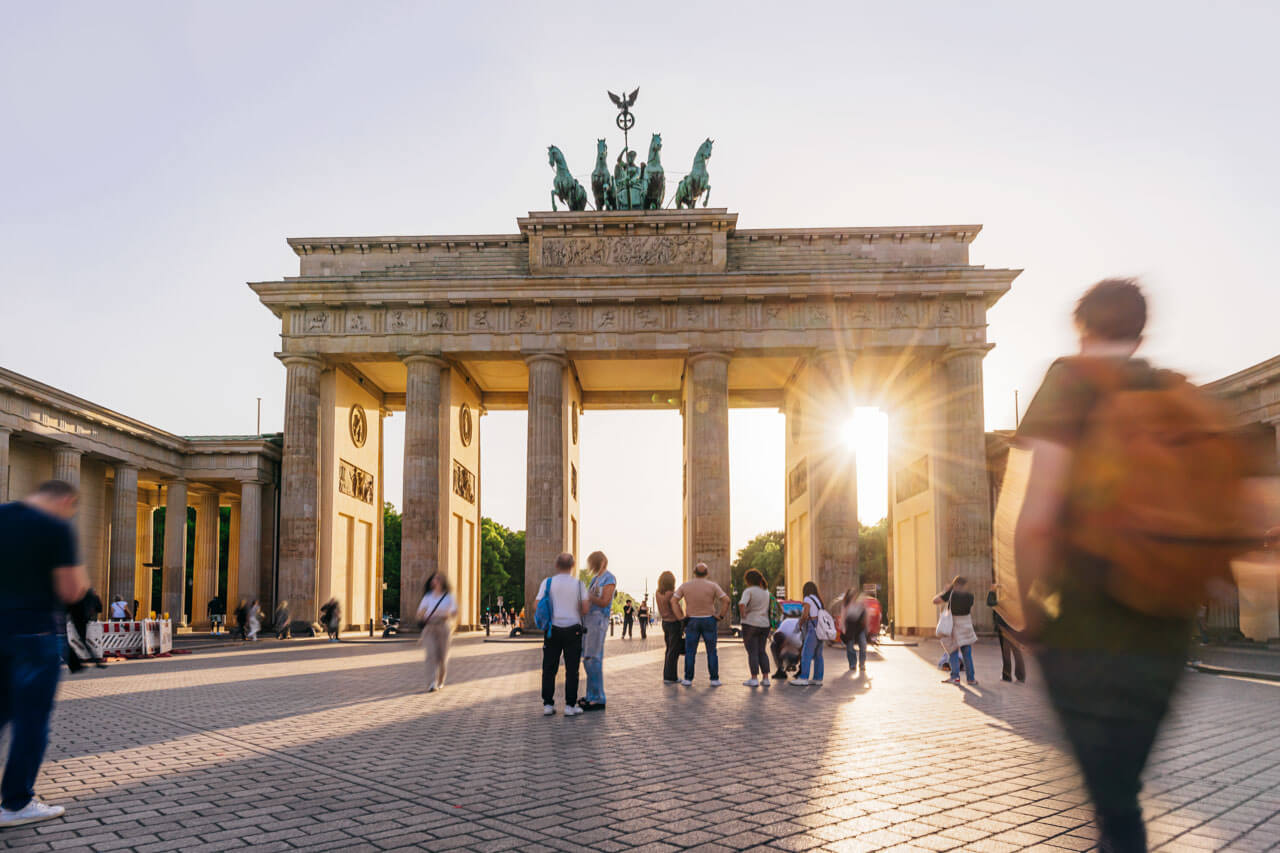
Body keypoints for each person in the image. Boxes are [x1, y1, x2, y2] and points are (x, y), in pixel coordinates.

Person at [1012, 278, 1270, 852]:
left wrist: (1033, 612)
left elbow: (1035, 521)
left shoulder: (1070, 381)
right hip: (1167, 630)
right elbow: (1249, 513)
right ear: (1140, 333)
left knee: (1115, 806)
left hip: (1086, 625)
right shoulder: (1181, 396)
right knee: (1124, 792)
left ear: (1082, 328)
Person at [0, 479, 88, 827]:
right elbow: (70, 589)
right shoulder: (55, 527)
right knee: (31, 721)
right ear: (66, 501)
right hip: (35, 634)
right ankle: (16, 803)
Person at [535, 552, 588, 716]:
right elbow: (585, 608)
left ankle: (548, 705)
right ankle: (570, 706)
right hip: (574, 630)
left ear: (557, 565)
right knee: (572, 670)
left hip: (553, 630)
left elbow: (537, 605)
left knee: (549, 668)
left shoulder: (548, 582)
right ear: (573, 566)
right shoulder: (579, 585)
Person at [672, 562, 729, 686]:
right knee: (711, 651)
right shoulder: (713, 586)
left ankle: (688, 679)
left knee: (690, 651)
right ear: (707, 573)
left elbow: (674, 600)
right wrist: (720, 616)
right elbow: (726, 600)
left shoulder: (685, 586)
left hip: (692, 619)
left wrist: (680, 617)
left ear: (694, 573)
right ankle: (714, 679)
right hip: (709, 619)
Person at [580, 551, 615, 711]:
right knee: (587, 658)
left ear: (601, 562)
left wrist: (588, 597)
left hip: (599, 619)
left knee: (593, 658)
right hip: (589, 620)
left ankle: (598, 697)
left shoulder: (609, 578)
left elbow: (605, 601)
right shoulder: (595, 579)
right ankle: (591, 695)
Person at [934, 576, 978, 685]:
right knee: (967, 654)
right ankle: (971, 679)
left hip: (953, 627)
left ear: (955, 584)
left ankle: (955, 677)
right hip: (966, 627)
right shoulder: (970, 596)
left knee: (953, 651)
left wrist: (946, 591)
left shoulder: (951, 594)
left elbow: (935, 601)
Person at [417, 573, 457, 692]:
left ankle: (440, 680)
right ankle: (432, 683)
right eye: (434, 578)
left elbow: (454, 612)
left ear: (443, 581)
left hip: (443, 626)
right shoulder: (428, 597)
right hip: (430, 627)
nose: (435, 580)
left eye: (438, 578)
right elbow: (420, 611)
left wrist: (448, 615)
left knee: (442, 657)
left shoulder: (449, 597)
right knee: (431, 654)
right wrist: (422, 616)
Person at [737, 569, 771, 687]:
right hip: (764, 624)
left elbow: (742, 604)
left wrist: (743, 615)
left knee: (752, 652)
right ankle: (766, 678)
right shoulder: (766, 591)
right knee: (762, 651)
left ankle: (754, 678)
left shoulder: (749, 591)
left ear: (748, 580)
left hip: (750, 624)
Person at [790, 581, 826, 687]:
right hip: (820, 627)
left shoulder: (807, 599)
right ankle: (818, 678)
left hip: (812, 627)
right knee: (818, 655)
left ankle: (804, 678)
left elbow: (805, 615)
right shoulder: (818, 600)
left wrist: (799, 624)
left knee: (806, 653)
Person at [987, 583, 1025, 683]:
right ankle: (1021, 677)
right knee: (1017, 652)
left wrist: (992, 591)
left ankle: (1007, 676)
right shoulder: (1017, 602)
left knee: (1006, 653)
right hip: (1015, 629)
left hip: (1005, 629)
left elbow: (990, 602)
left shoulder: (1004, 601)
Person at [654, 571, 682, 684]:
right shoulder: (671, 594)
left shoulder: (657, 593)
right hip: (673, 623)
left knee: (669, 649)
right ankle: (671, 677)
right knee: (673, 651)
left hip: (665, 623)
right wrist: (682, 619)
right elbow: (676, 608)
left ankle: (667, 675)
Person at [840, 587, 869, 674]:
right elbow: (843, 616)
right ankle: (852, 664)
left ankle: (862, 664)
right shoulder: (846, 604)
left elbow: (866, 614)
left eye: (855, 594)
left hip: (860, 627)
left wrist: (867, 627)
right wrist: (843, 627)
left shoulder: (860, 603)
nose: (854, 595)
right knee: (850, 647)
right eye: (852, 594)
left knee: (863, 645)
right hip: (850, 627)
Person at [770, 616, 803, 680]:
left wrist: (794, 662)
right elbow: (777, 637)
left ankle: (801, 672)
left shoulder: (796, 639)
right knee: (773, 645)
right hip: (789, 629)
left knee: (804, 651)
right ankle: (780, 670)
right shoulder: (779, 632)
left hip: (801, 635)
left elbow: (802, 649)